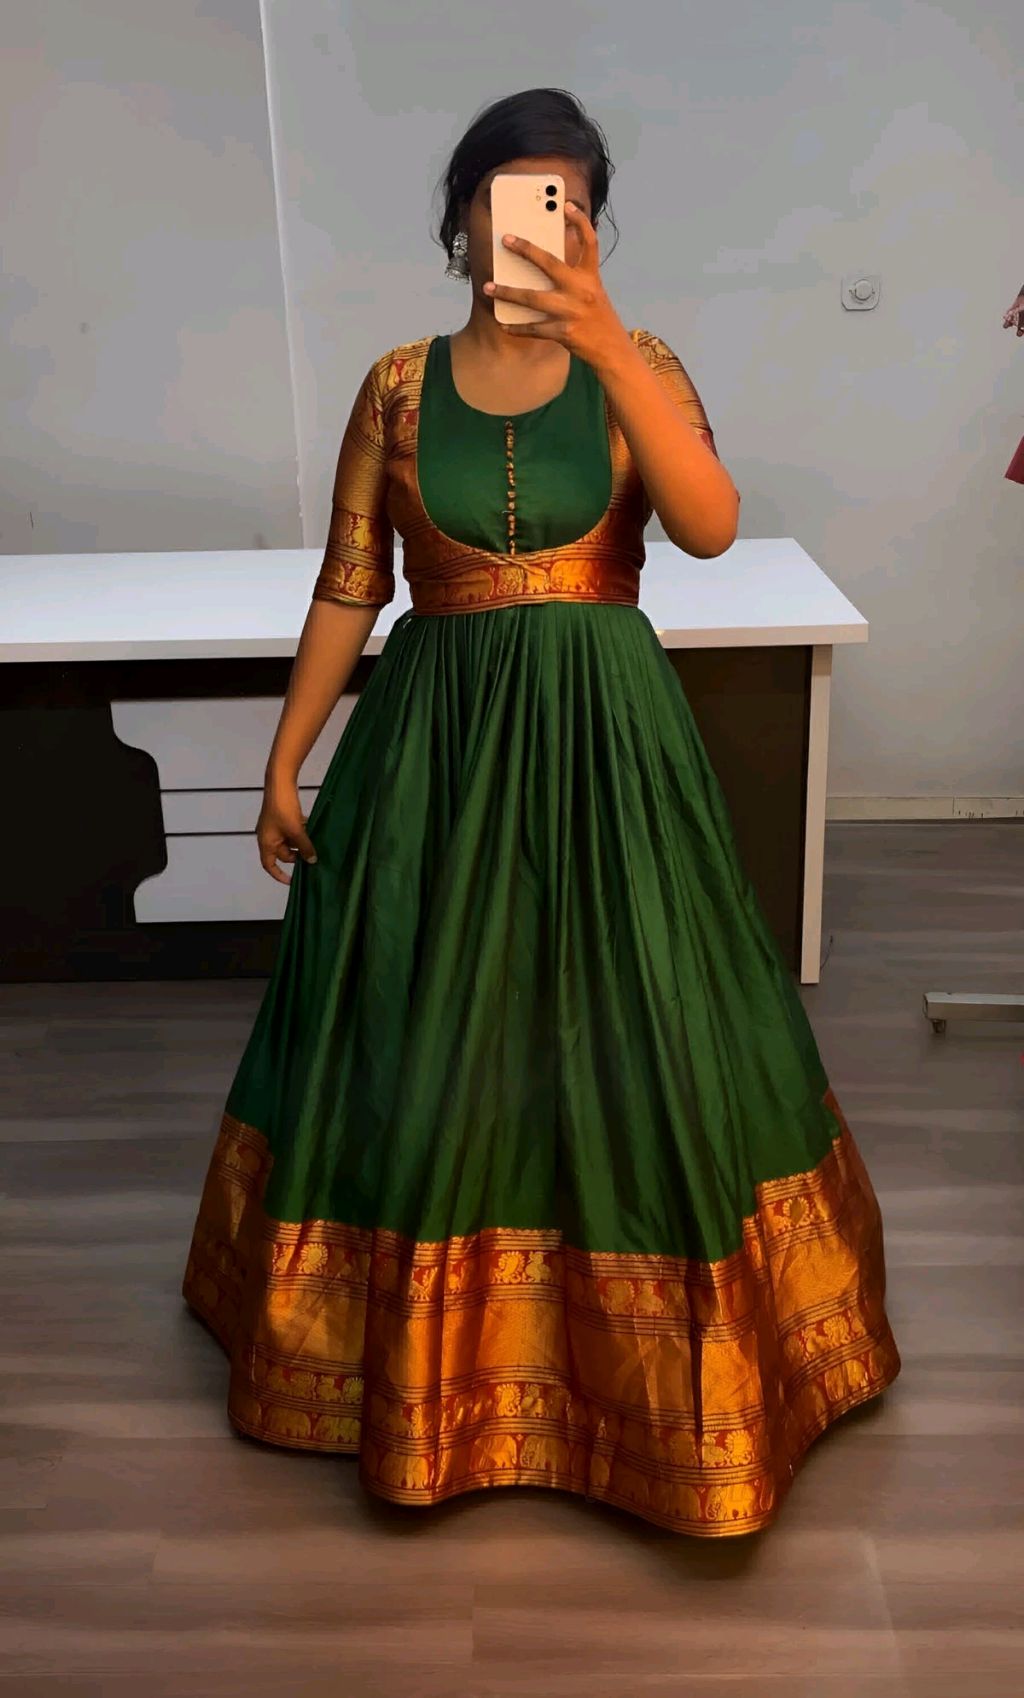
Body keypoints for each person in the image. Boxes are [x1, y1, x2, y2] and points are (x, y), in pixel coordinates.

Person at [182, 86, 902, 1538]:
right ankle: (424, 1366)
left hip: (606, 744)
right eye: (509, 198)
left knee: (636, 1018)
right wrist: (285, 756)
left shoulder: (643, 365)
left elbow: (707, 527)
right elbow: (350, 585)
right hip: (431, 751)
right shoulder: (396, 387)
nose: (533, 228)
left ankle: (649, 1376)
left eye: (567, 204)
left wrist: (609, 343)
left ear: (593, 226)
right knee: (431, 1019)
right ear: (460, 217)